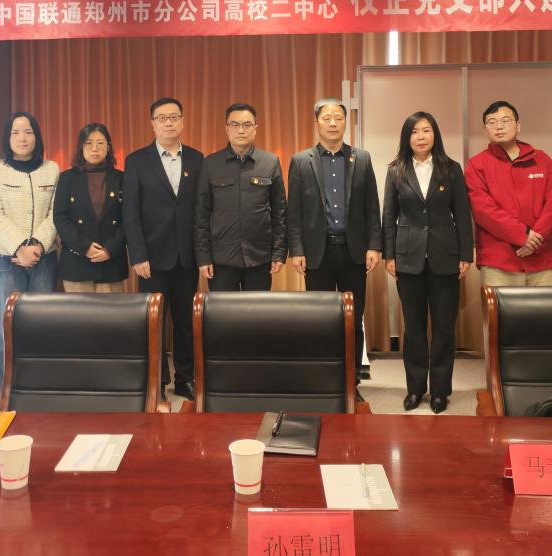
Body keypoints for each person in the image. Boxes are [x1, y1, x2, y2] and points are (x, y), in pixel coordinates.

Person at [382, 111, 473, 414]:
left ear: (435, 135)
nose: (421, 137)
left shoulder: (451, 169)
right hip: (408, 258)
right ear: (406, 137)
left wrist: (465, 254)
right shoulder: (396, 170)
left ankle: (440, 391)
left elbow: (462, 215)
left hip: (445, 257)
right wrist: (389, 255)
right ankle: (415, 388)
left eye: (426, 130)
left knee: (444, 327)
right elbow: (389, 217)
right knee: (414, 328)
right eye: (414, 132)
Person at [287, 97, 381, 383]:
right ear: (317, 122)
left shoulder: (361, 158)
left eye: (338, 118)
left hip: (353, 251)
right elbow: (294, 212)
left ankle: (351, 379)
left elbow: (372, 207)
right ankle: (323, 378)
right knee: (320, 317)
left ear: (345, 123)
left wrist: (374, 246)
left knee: (353, 316)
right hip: (318, 252)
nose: (332, 123)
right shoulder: (301, 161)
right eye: (326, 118)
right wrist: (296, 249)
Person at [123, 97, 204, 401]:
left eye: (174, 117)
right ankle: (156, 380)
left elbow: (200, 210)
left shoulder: (196, 159)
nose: (168, 122)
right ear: (152, 124)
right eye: (162, 118)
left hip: (186, 256)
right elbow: (130, 213)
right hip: (151, 258)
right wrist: (138, 255)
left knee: (186, 322)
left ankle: (185, 379)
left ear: (182, 121)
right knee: (153, 322)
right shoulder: (136, 161)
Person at [0, 112, 60, 381]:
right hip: (6, 260)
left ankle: (39, 387)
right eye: (15, 132)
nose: (22, 138)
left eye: (28, 132)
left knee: (42, 326)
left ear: (37, 136)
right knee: (8, 328)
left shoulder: (51, 169)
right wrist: (19, 247)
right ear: (7, 137)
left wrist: (36, 245)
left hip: (43, 259)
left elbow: (55, 213)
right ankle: (10, 390)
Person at [465, 100, 552, 286]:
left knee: (547, 306)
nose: (499, 126)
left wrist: (535, 240)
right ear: (485, 130)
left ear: (518, 126)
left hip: (540, 259)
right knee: (497, 307)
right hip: (499, 261)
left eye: (506, 120)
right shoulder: (476, 165)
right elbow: (484, 211)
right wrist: (523, 236)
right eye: (492, 122)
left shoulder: (542, 160)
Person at [194, 103, 286, 291]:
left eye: (247, 125)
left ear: (255, 128)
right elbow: (201, 215)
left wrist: (278, 252)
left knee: (257, 310)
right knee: (223, 310)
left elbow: (280, 212)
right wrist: (203, 257)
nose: (241, 130)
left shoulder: (270, 162)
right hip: (221, 260)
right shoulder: (211, 163)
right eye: (235, 125)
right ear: (226, 128)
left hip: (259, 257)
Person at [54, 123, 129, 292]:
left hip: (111, 262)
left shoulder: (122, 178)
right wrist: (84, 247)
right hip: (76, 263)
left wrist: (110, 249)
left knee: (111, 310)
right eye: (88, 143)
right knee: (78, 310)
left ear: (108, 147)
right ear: (81, 147)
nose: (95, 148)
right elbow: (60, 217)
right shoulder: (67, 178)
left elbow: (129, 219)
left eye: (100, 143)